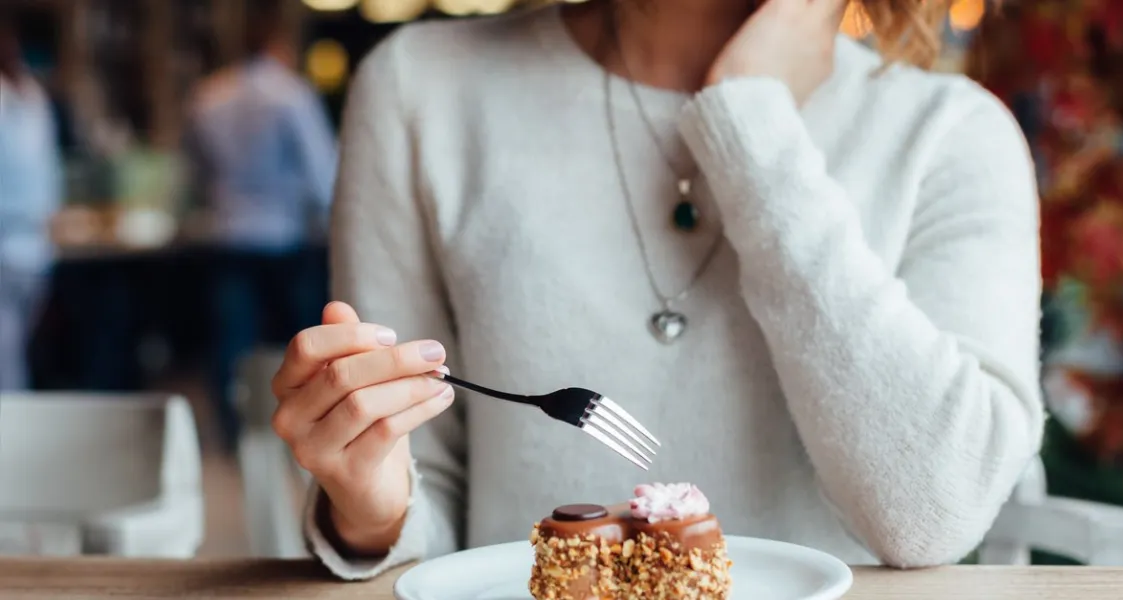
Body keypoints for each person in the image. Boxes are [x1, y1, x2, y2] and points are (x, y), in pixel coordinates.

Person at [271, 0, 1044, 577]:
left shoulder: (951, 134)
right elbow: (421, 493)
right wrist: (370, 506)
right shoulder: (420, 91)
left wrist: (748, 119)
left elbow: (933, 512)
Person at [185, 0, 337, 451]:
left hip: (228, 231)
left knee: (231, 341)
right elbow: (321, 172)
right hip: (283, 235)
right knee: (302, 340)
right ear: (279, 43)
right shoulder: (291, 94)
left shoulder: (208, 94)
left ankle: (234, 434)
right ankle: (306, 428)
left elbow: (194, 170)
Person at [0, 16, 62, 390]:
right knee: (7, 356)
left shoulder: (33, 96)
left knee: (15, 350)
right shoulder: (19, 96)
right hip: (14, 239)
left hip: (32, 241)